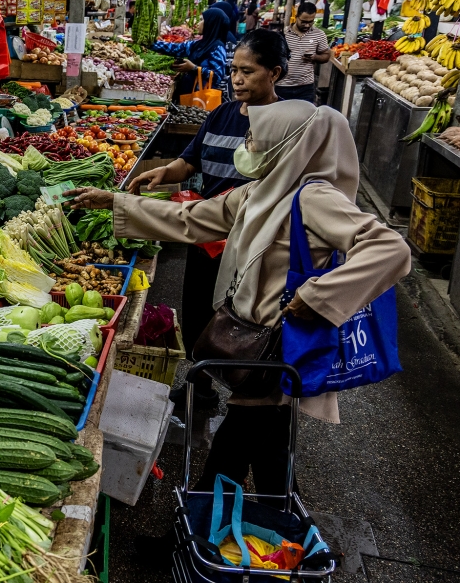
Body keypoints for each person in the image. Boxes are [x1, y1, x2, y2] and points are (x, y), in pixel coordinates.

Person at [66, 100, 410, 565]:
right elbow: (191, 220)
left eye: (256, 140)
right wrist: (118, 202)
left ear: (289, 145)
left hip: (276, 346)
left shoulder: (313, 199)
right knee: (268, 452)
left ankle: (192, 543)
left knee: (236, 444)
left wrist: (320, 296)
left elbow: (390, 248)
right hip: (252, 342)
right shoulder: (259, 192)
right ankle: (292, 541)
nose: (248, 148)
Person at [128, 29, 288, 406]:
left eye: (247, 72)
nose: (236, 79)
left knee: (240, 322)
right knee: (199, 313)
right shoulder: (221, 115)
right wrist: (164, 172)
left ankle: (246, 393)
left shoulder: (286, 126)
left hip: (250, 246)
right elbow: (190, 161)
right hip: (205, 238)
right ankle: (201, 387)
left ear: (275, 74)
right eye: (234, 70)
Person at [152, 7, 231, 101]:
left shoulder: (217, 48)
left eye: (202, 20)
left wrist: (193, 68)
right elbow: (175, 48)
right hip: (189, 93)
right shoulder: (198, 44)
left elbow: (217, 76)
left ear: (211, 24)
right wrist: (148, 43)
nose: (198, 23)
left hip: (202, 98)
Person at [276, 1, 332, 104]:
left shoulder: (319, 35)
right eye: (303, 21)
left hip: (306, 88)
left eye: (311, 22)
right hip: (281, 86)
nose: (307, 25)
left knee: (305, 118)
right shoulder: (283, 34)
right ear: (296, 17)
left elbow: (326, 55)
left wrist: (315, 58)